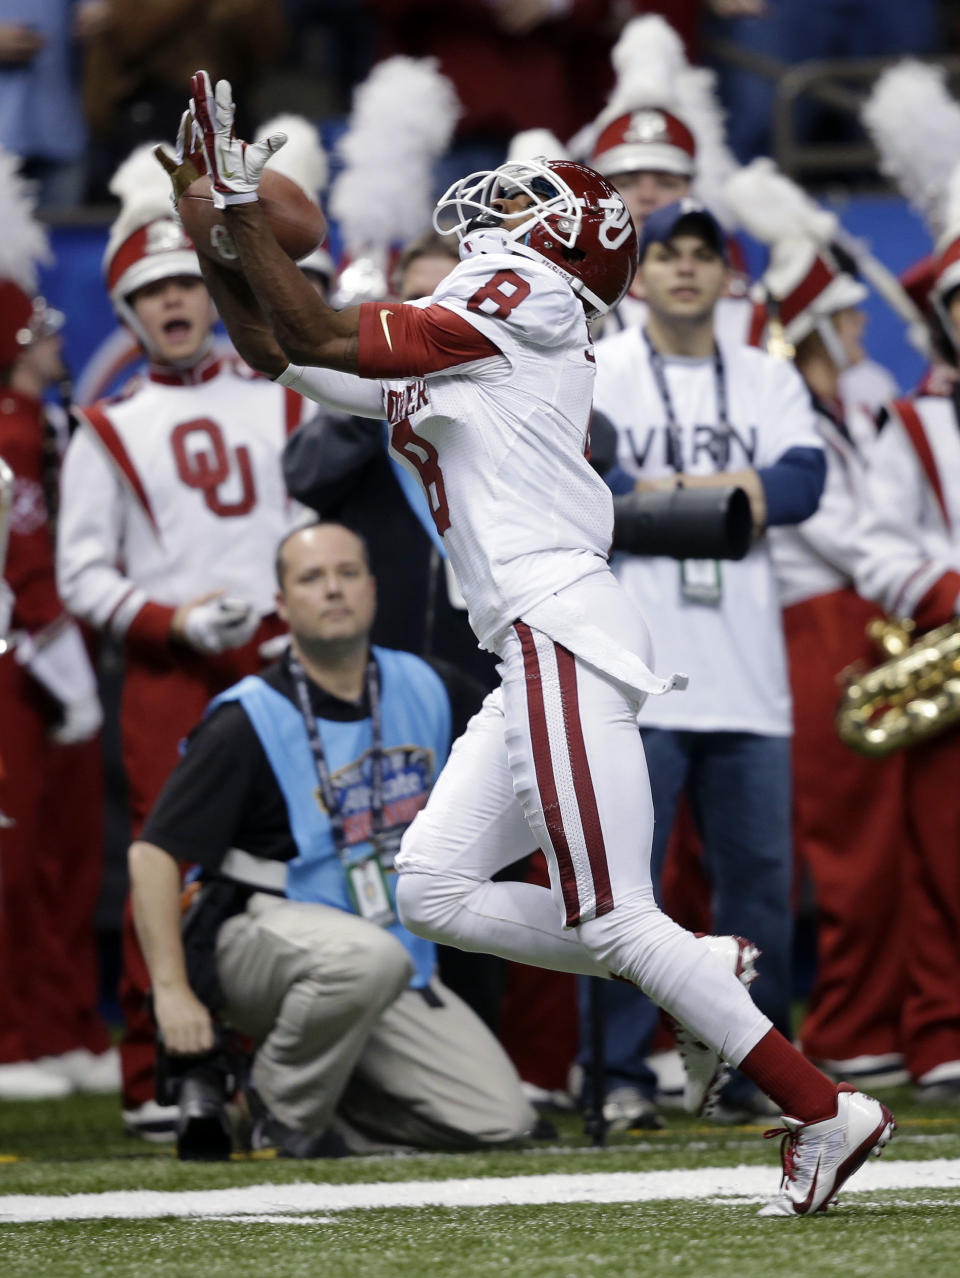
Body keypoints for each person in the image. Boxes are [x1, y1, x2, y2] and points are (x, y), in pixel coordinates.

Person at [165, 71, 896, 1215]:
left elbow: (308, 320)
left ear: (555, 239)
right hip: (534, 640)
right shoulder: (480, 337)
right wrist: (211, 229)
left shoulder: (526, 294)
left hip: (555, 621)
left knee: (612, 909)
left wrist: (245, 204)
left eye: (520, 205)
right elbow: (282, 350)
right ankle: (703, 971)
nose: (493, 215)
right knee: (437, 888)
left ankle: (818, 1106)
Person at [130, 520, 536, 1155]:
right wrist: (172, 992)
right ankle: (280, 1112)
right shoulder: (247, 717)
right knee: (363, 960)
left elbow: (524, 768)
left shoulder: (431, 688)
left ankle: (292, 1107)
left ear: (373, 590)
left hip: (388, 958)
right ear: (282, 604)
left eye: (347, 574)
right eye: (312, 578)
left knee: (498, 1119)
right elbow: (151, 854)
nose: (333, 590)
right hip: (260, 943)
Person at [56, 141, 307, 1137]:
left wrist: (288, 623)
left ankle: (252, 1065)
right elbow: (81, 576)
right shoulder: (104, 425)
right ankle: (154, 1068)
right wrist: (172, 619)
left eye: (184, 282)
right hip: (169, 674)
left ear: (213, 293)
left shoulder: (281, 394)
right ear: (125, 312)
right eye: (150, 289)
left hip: (278, 665)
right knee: (166, 862)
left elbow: (308, 528)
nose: (171, 302)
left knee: (282, 862)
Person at [586, 198, 826, 1125]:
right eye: (668, 255)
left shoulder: (766, 377)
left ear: (730, 276)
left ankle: (751, 1072)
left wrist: (660, 497)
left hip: (747, 677)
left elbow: (806, 484)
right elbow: (582, 486)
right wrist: (728, 498)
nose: (685, 269)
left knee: (760, 886)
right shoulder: (600, 368)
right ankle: (612, 1074)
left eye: (704, 255)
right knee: (624, 884)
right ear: (638, 276)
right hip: (634, 671)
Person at [0, 153, 116, 1099]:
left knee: (64, 855)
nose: (53, 340)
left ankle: (60, 1018)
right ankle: (21, 1031)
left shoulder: (36, 418)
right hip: (26, 658)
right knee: (24, 854)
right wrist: (53, 645)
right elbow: (22, 563)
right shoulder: (9, 426)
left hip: (49, 650)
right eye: (33, 329)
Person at [852, 215, 960, 1103]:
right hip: (952, 659)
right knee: (943, 859)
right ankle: (943, 1038)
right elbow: (876, 551)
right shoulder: (915, 422)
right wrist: (951, 592)